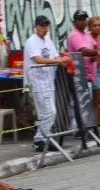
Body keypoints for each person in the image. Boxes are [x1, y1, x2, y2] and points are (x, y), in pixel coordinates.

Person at [23, 16, 71, 152]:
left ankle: (42, 139)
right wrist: (59, 61)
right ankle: (40, 139)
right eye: (42, 25)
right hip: (37, 82)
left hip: (49, 81)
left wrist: (63, 59)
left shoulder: (48, 40)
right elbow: (38, 59)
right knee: (49, 112)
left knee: (49, 113)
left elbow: (55, 56)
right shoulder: (31, 42)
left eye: (46, 25)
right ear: (36, 26)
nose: (45, 28)